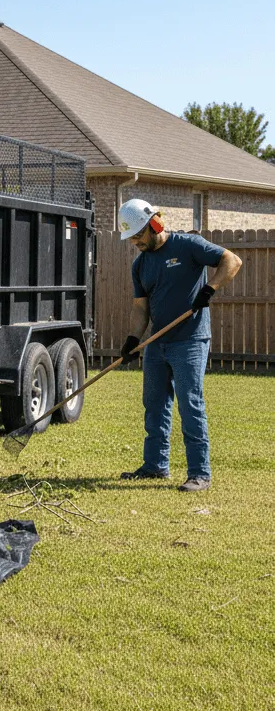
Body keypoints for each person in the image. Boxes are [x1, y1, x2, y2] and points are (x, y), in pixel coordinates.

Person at [116, 199, 241, 492]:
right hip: (157, 344)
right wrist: (134, 339)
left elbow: (231, 261)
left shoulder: (189, 245)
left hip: (190, 341)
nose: (134, 242)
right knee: (154, 405)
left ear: (154, 224)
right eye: (131, 237)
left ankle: (200, 473)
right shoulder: (141, 264)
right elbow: (140, 307)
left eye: (137, 235)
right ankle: (155, 466)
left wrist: (209, 289)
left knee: (190, 403)